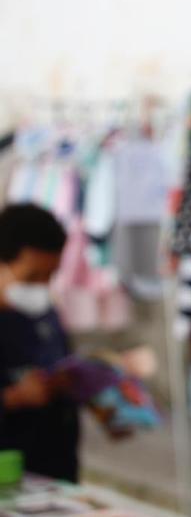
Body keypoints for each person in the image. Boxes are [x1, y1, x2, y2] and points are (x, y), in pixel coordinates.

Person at [0, 204, 78, 482]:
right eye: (32, 277)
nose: (42, 286)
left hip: (55, 470)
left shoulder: (45, 313)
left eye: (51, 275)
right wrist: (15, 397)